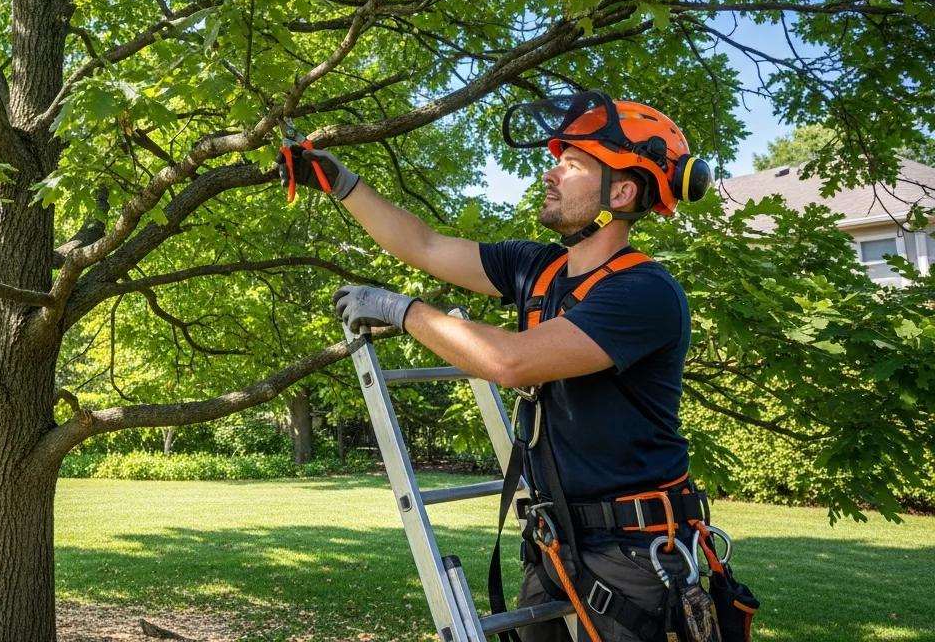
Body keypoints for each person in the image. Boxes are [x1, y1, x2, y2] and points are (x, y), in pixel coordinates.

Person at [277, 91, 717, 642]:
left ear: (621, 191)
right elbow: (426, 245)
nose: (552, 173)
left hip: (633, 558)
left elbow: (510, 362)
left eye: (573, 164)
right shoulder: (537, 267)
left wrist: (402, 310)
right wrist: (342, 184)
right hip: (556, 545)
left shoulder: (643, 292)